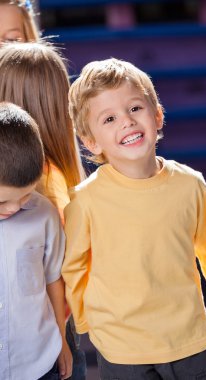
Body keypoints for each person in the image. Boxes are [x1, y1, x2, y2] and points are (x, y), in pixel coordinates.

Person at [62, 58, 206, 380]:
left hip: (186, 341)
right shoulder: (85, 200)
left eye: (135, 109)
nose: (126, 122)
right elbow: (74, 266)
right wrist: (84, 320)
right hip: (121, 347)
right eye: (109, 118)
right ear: (90, 141)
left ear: (157, 115)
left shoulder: (190, 185)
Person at [0, 42, 87, 379]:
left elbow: (55, 267)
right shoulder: (57, 172)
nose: (14, 208)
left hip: (46, 330)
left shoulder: (44, 184)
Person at [0, 102, 72, 380]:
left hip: (38, 364)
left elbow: (54, 279)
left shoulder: (44, 215)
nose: (15, 208)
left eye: (26, 196)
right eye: (4, 200)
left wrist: (62, 341)